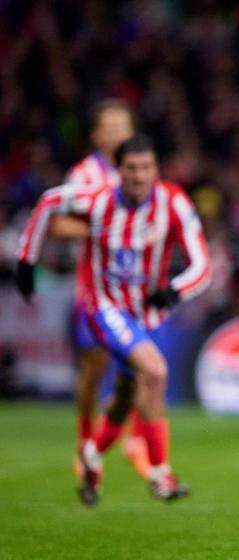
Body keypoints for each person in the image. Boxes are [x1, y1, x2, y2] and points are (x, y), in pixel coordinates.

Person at [16, 134, 211, 505]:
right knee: (155, 371)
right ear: (118, 170)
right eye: (131, 168)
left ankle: (91, 453)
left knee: (125, 398)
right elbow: (48, 202)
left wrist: (175, 290)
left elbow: (202, 266)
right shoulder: (98, 199)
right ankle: (160, 474)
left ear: (156, 169)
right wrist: (26, 261)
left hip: (145, 314)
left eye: (146, 168)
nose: (139, 176)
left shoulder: (173, 202)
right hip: (103, 307)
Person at [55, 99, 153, 481]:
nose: (116, 134)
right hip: (95, 289)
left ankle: (136, 441)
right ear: (96, 135)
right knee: (94, 367)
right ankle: (85, 441)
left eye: (122, 126)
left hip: (137, 286)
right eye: (109, 127)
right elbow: (61, 224)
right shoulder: (84, 175)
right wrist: (103, 227)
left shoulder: (142, 171)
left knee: (143, 365)